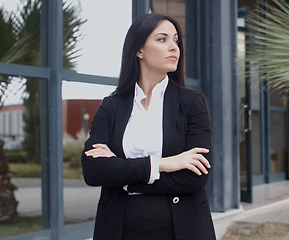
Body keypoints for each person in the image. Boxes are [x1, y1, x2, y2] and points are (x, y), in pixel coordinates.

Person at [81, 13, 216, 240]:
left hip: (181, 230)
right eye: (162, 39)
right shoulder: (111, 106)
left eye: (175, 40)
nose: (173, 47)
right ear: (139, 50)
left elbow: (195, 177)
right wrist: (162, 164)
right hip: (119, 230)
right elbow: (94, 171)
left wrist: (123, 176)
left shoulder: (193, 103)